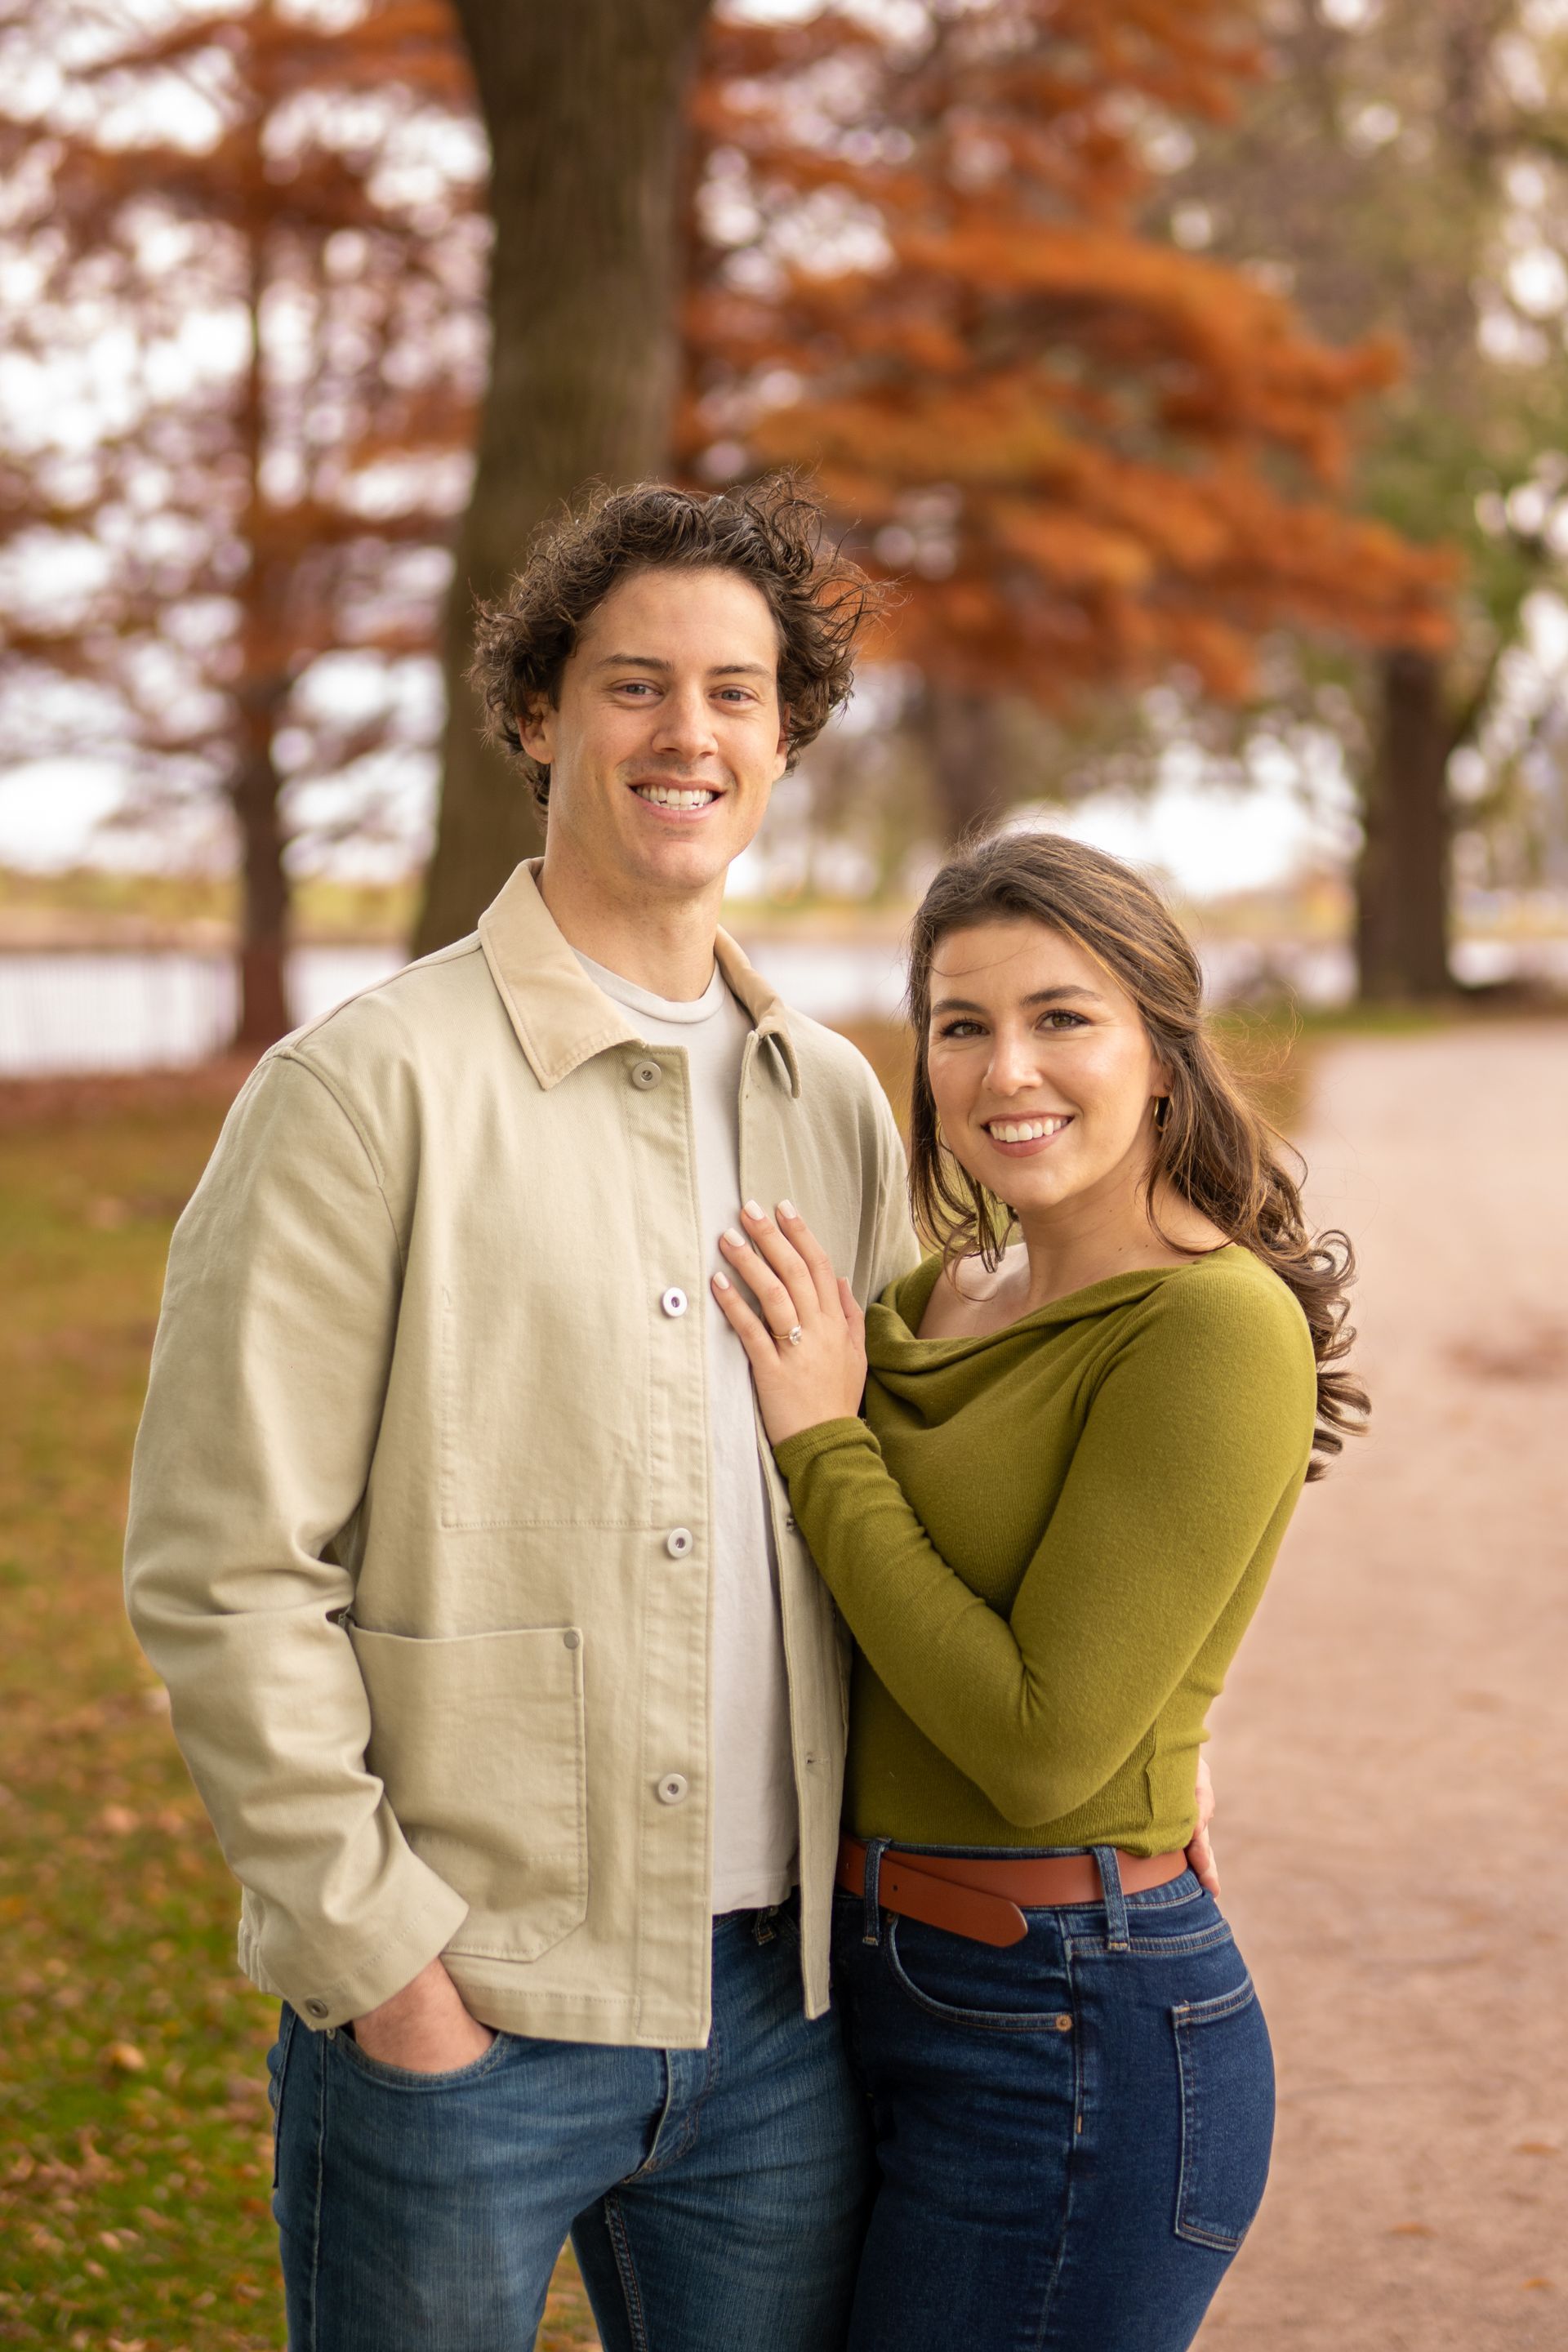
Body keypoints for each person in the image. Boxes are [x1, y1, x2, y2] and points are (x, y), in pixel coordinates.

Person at [123, 475, 919, 2352]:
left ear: (788, 739)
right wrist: (382, 1965)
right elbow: (223, 1570)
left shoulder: (839, 1108)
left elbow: (910, 1502)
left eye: (736, 693)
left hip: (780, 2026)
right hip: (457, 2016)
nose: (687, 734)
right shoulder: (363, 1093)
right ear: (542, 713)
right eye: (635, 683)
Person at [711, 829, 1367, 2352]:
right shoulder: (934, 1299)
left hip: (1073, 2034)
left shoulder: (1213, 1327)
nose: (1008, 1070)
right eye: (962, 1025)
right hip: (852, 1987)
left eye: (1062, 1017)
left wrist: (821, 1434)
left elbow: (1039, 1745)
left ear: (1160, 1047)